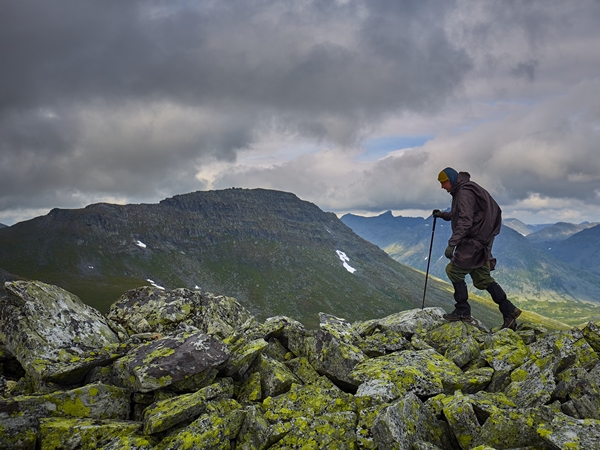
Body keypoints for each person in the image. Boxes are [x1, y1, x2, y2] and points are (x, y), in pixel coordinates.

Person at [433, 167, 521, 330]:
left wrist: (452, 243)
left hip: (474, 242)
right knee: (483, 278)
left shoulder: (464, 193)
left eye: (443, 183)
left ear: (451, 180)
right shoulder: (463, 190)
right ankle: (510, 312)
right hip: (481, 242)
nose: (442, 187)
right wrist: (443, 215)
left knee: (453, 270)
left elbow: (465, 220)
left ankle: (462, 310)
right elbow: (461, 213)